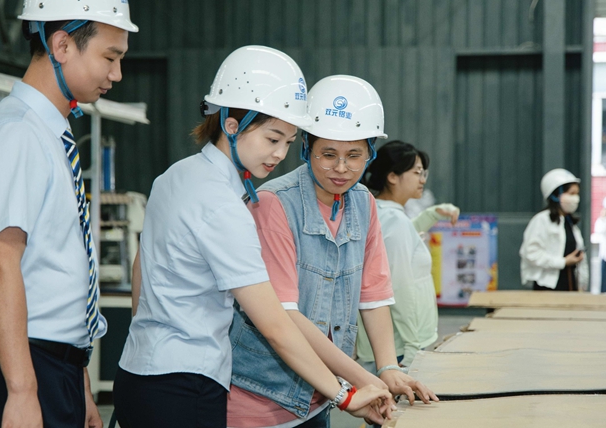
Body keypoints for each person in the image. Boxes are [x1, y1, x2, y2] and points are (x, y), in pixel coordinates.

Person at [114, 47, 393, 428]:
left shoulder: (176, 176)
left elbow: (140, 267)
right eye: (272, 138)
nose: (279, 154)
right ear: (231, 124)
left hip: (139, 373)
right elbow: (276, 325)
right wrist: (345, 394)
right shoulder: (228, 205)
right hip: (187, 385)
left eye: (288, 142)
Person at [0, 0, 137, 426]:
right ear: (62, 44)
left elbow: (57, 274)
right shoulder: (17, 134)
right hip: (14, 365)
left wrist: (79, 380)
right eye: (110, 57)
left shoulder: (50, 134)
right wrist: (22, 390)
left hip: (50, 365)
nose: (117, 74)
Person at [227, 75, 438, 428]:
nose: (341, 168)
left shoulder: (364, 203)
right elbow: (286, 316)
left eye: (354, 155)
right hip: (261, 398)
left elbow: (373, 292)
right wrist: (364, 381)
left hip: (319, 397)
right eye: (328, 154)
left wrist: (388, 367)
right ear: (306, 147)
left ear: (370, 153)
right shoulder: (274, 204)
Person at [356, 141, 459, 377]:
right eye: (416, 172)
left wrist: (432, 215)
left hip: (395, 343)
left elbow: (403, 241)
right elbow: (399, 287)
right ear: (393, 176)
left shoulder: (383, 212)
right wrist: (413, 346)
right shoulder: (395, 221)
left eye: (424, 173)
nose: (422, 179)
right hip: (401, 348)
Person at [520, 168, 590, 291]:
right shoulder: (542, 220)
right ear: (556, 194)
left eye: (577, 194)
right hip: (548, 287)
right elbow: (531, 253)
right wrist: (562, 262)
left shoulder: (570, 224)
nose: (576, 198)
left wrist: (582, 284)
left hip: (570, 286)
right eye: (571, 193)